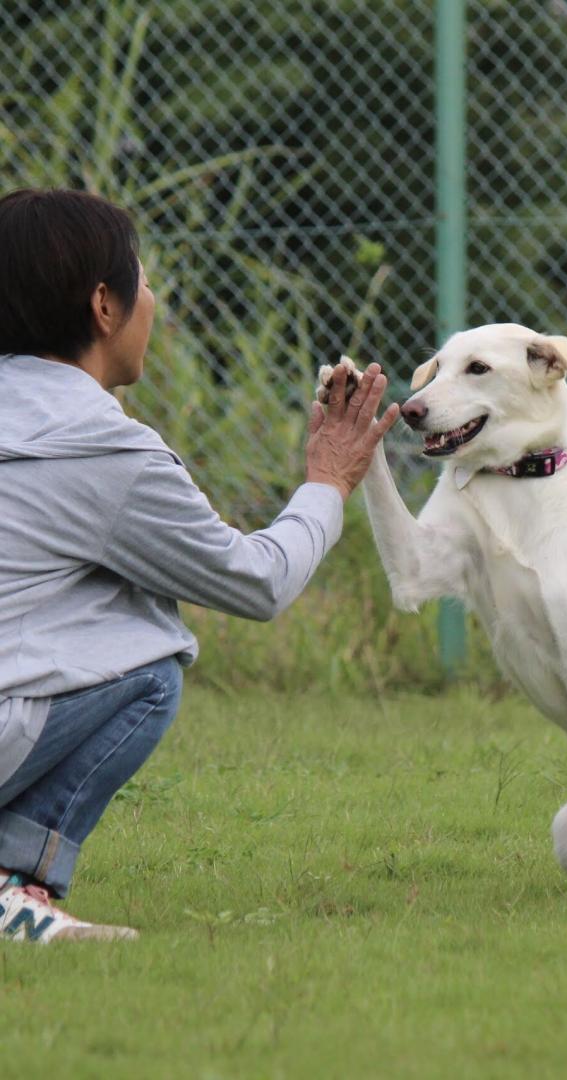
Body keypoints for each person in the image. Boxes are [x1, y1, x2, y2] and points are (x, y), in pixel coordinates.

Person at [0, 188, 400, 942]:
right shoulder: (102, 449)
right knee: (151, 662)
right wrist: (327, 482)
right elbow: (256, 582)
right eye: (144, 282)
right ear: (104, 307)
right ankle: (15, 887)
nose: (154, 300)